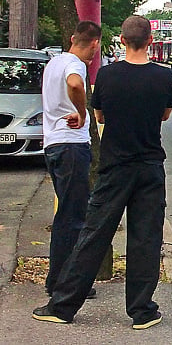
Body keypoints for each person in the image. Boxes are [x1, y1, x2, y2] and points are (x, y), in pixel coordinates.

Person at [33, 15, 172, 330]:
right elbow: (165, 115)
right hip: (150, 167)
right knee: (146, 238)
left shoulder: (106, 76)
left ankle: (63, 305)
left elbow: (99, 115)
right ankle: (142, 311)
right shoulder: (164, 76)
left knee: (93, 234)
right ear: (151, 41)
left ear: (122, 41)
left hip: (114, 168)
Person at [41, 21, 102, 299]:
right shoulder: (76, 65)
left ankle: (60, 279)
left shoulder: (53, 63)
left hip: (53, 144)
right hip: (71, 146)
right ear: (94, 44)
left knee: (67, 211)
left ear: (71, 37)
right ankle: (65, 284)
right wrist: (82, 111)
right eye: (95, 49)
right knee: (74, 216)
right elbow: (76, 85)